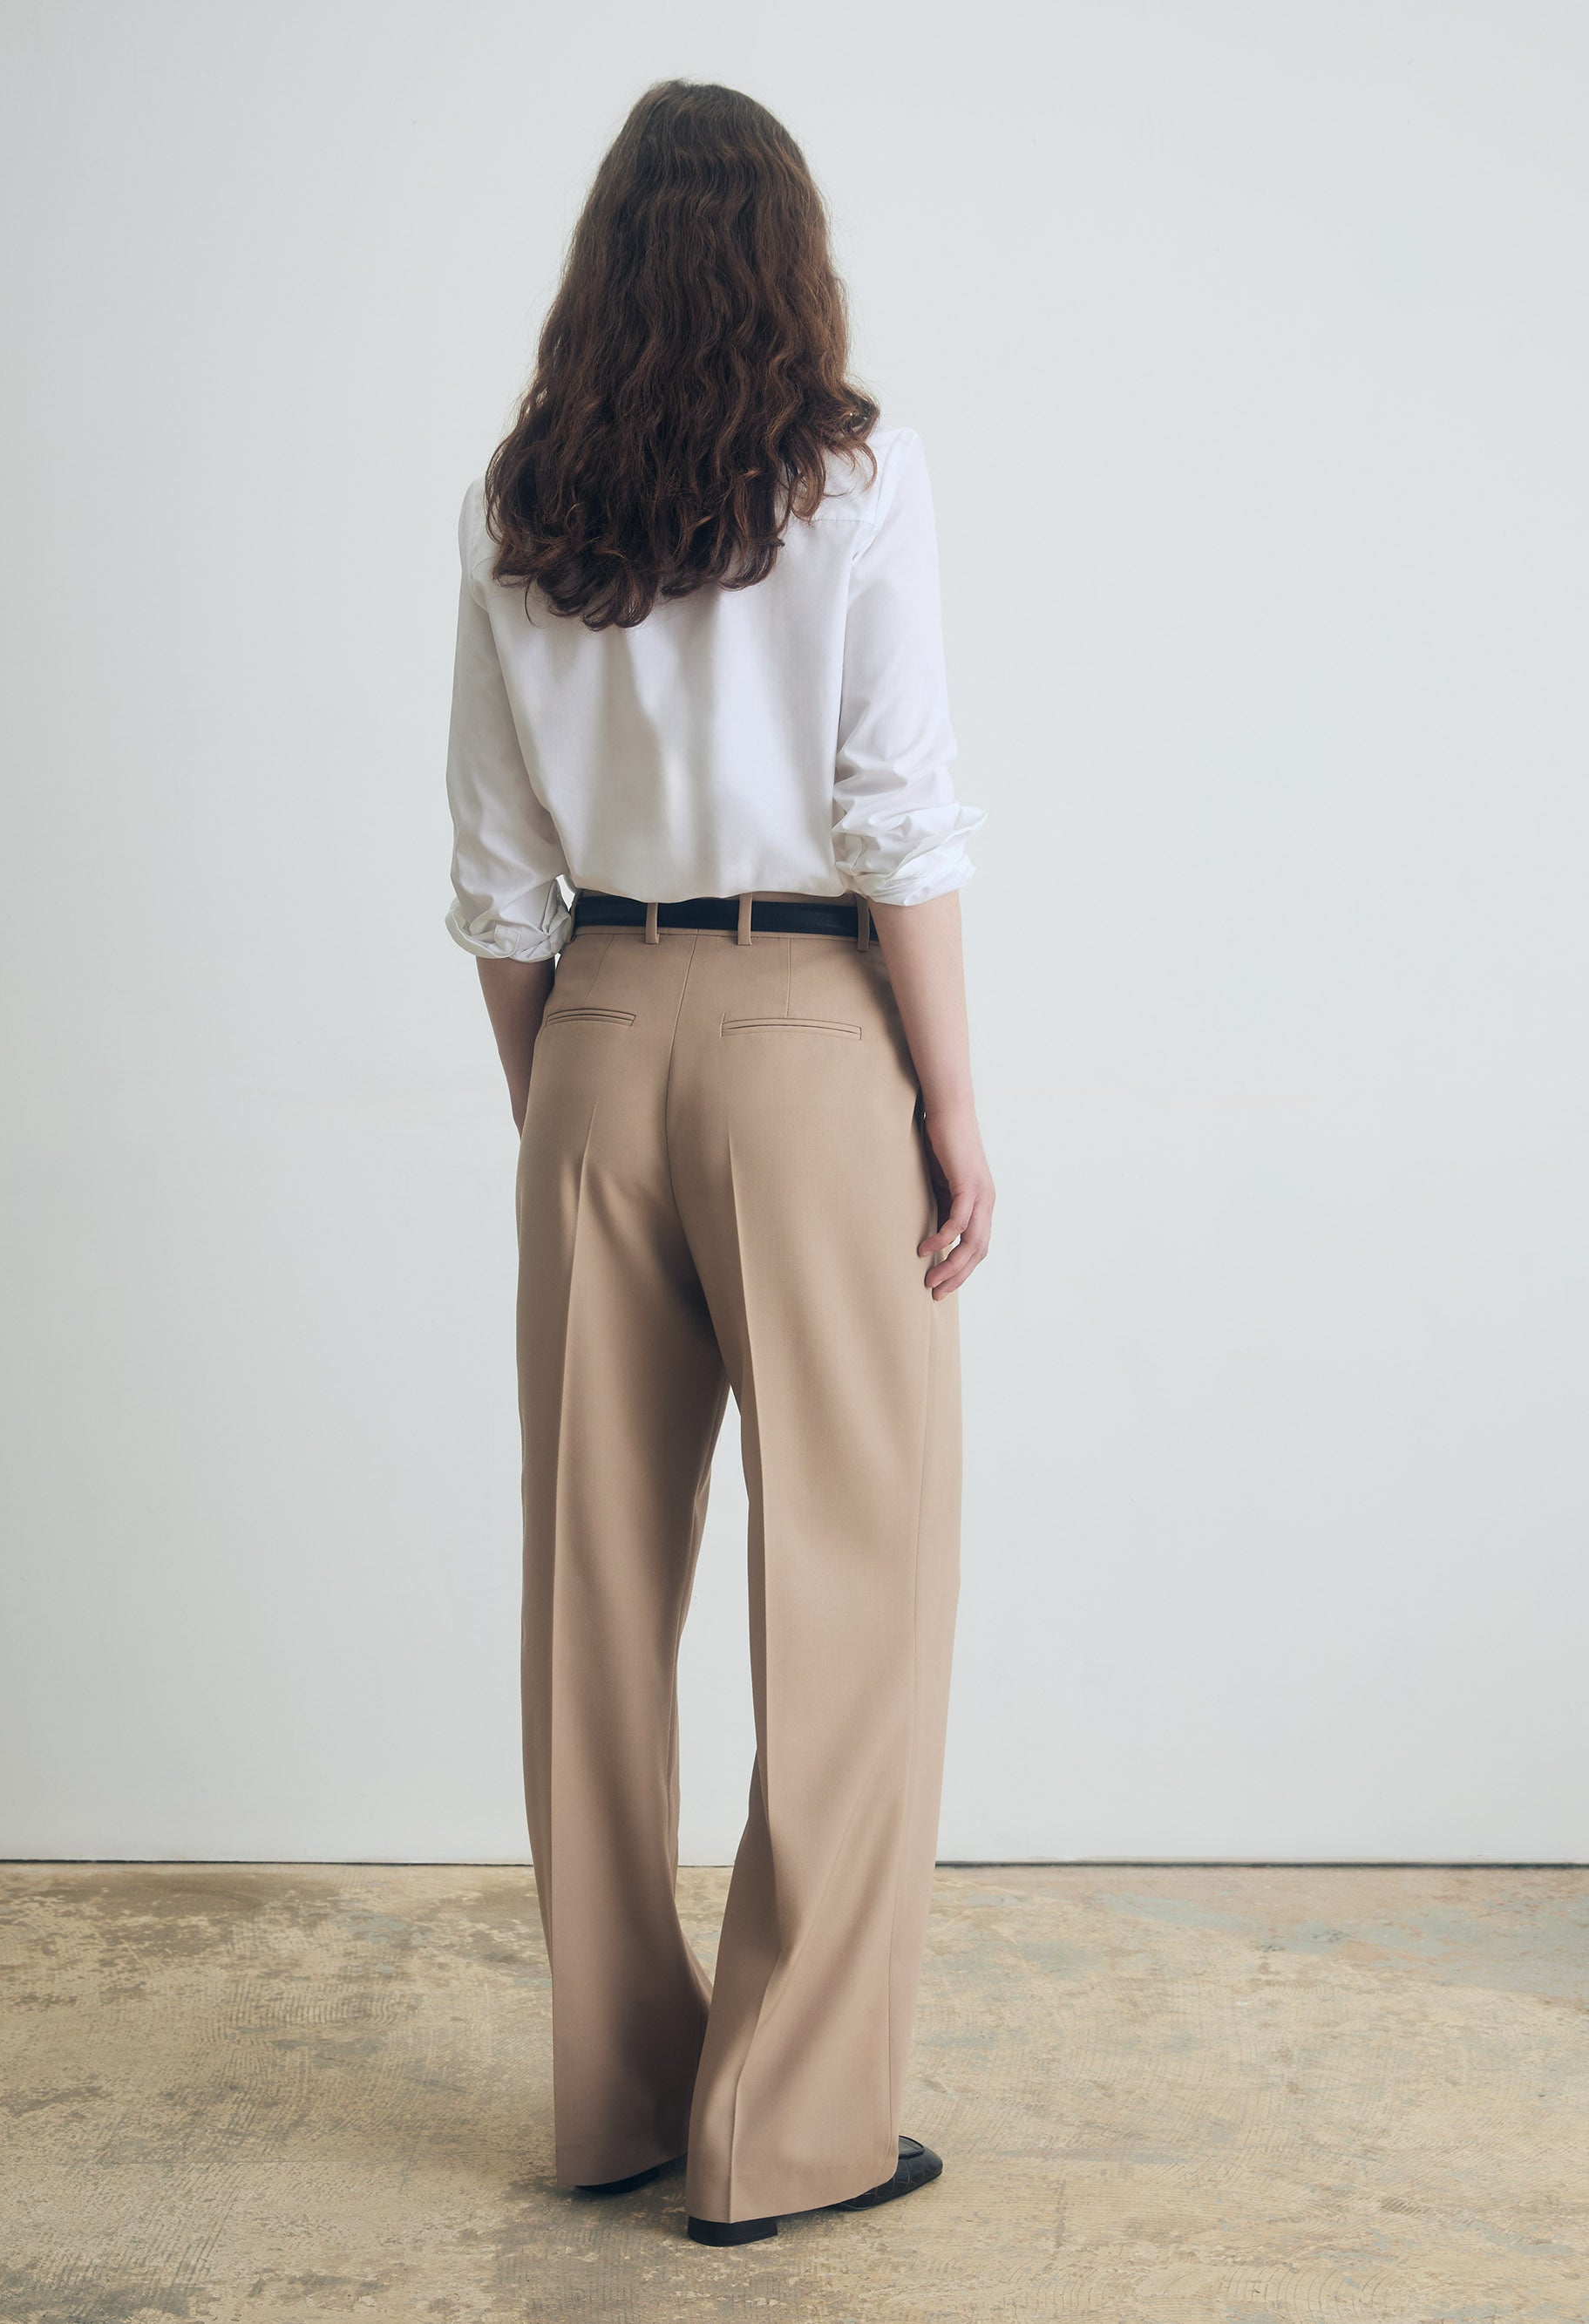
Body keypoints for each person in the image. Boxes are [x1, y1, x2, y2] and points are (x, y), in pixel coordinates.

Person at [443, 79, 994, 2248]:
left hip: (586, 1028)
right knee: (852, 1581)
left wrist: (571, 1095)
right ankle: (787, 2133)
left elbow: (496, 880)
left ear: (601, 268)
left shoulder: (519, 498)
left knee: (590, 1590)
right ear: (787, 259)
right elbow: (901, 819)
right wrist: (950, 1105)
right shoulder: (854, 474)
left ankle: (612, 2103)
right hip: (807, 1032)